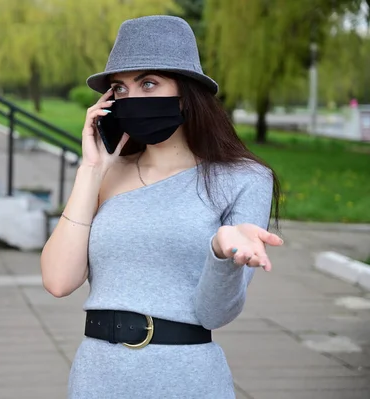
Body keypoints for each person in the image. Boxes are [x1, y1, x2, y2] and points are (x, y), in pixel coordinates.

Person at [40, 15, 284, 398]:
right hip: (99, 377)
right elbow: (57, 281)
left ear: (186, 93)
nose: (131, 98)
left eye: (149, 83)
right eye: (120, 88)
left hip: (186, 378)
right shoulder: (104, 175)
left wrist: (222, 252)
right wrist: (90, 171)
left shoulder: (245, 179)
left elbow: (215, 314)